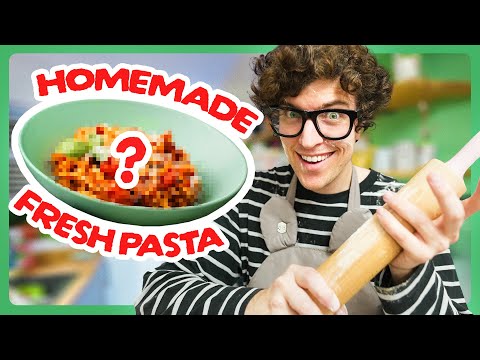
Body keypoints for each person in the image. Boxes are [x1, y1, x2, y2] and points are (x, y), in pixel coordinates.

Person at [134, 45, 473, 315]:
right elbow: (156, 296)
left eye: (333, 114)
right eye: (293, 114)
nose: (309, 140)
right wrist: (260, 304)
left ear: (360, 123)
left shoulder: (405, 207)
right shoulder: (246, 199)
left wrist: (407, 274)